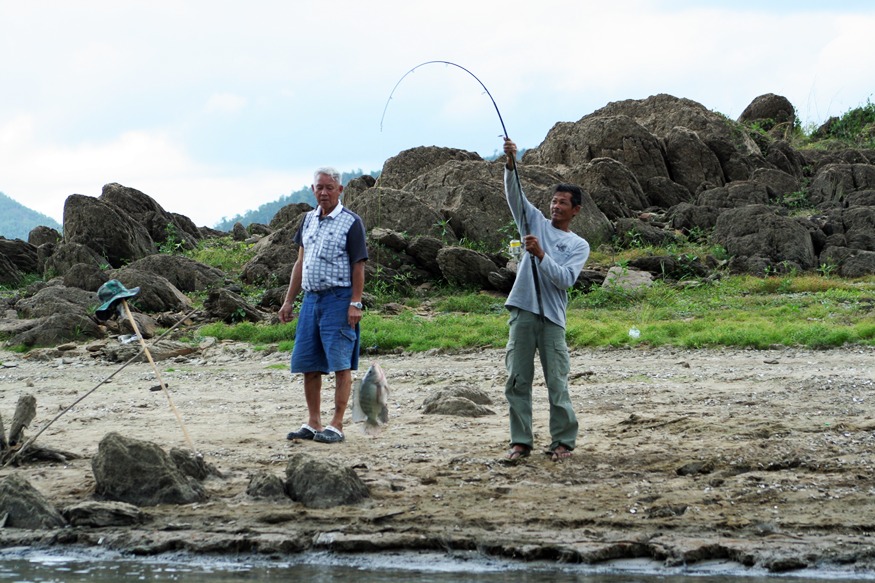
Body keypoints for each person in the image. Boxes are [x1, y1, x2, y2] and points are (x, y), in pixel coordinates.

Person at [501, 138, 590, 462]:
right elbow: (515, 197)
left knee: (557, 383)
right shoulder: (534, 221)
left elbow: (565, 279)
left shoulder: (579, 245)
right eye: (553, 201)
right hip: (523, 311)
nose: (555, 206)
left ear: (575, 210)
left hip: (552, 319)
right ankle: (520, 442)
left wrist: (540, 255)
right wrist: (511, 164)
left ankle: (563, 442)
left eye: (563, 203)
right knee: (517, 381)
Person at [279, 167, 368, 444]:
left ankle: (337, 424)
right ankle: (313, 421)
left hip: (339, 300)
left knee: (341, 363)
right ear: (313, 189)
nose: (324, 192)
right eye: (320, 187)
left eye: (330, 187)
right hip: (311, 299)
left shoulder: (351, 222)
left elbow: (358, 265)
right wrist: (288, 300)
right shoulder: (307, 220)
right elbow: (300, 262)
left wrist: (355, 302)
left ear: (340, 190)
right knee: (308, 362)